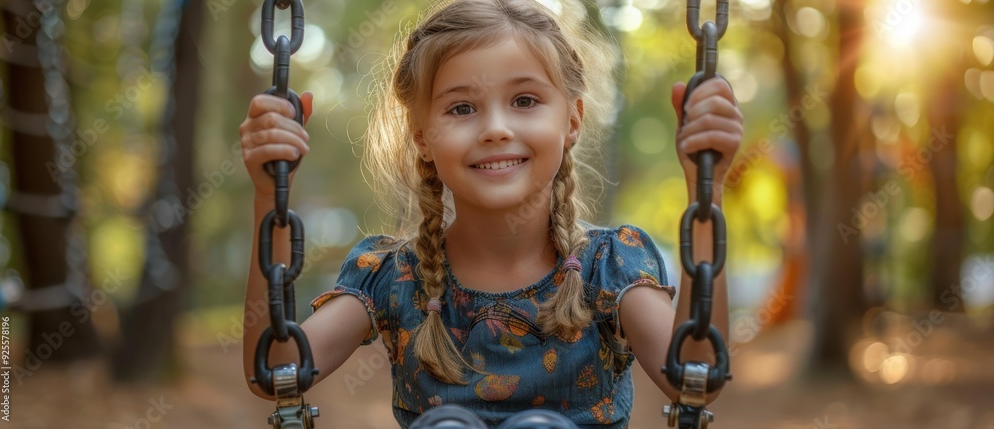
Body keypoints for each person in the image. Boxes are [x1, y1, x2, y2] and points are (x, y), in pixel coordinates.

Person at [238, 0, 743, 427]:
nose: (495, 129)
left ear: (572, 120)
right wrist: (267, 197)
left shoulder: (608, 266)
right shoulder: (393, 277)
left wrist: (709, 187)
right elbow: (278, 370)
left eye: (524, 100)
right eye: (461, 108)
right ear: (422, 137)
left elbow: (693, 370)